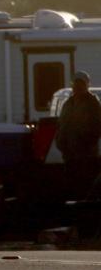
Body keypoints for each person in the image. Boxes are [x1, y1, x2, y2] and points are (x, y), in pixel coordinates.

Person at [56, 70, 101, 199]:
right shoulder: (68, 103)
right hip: (69, 155)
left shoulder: (93, 104)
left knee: (85, 186)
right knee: (71, 186)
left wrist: (86, 144)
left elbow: (97, 127)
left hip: (86, 156)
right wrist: (60, 142)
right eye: (76, 83)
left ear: (86, 85)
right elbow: (61, 124)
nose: (78, 86)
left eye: (81, 83)